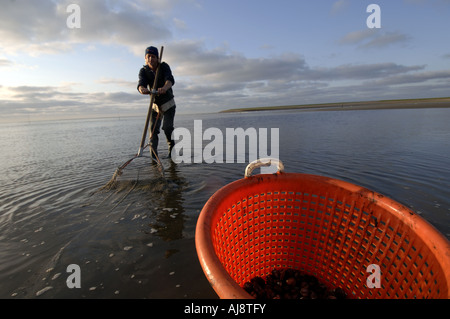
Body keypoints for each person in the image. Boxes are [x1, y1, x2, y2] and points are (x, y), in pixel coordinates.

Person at [137, 46, 176, 160]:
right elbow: (141, 83)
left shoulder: (163, 66)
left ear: (157, 58)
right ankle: (154, 158)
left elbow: (170, 80)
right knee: (153, 132)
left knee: (167, 128)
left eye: (153, 56)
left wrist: (164, 88)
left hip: (168, 104)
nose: (151, 59)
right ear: (145, 58)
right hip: (154, 107)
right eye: (148, 57)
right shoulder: (143, 71)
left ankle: (172, 149)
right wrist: (142, 89)